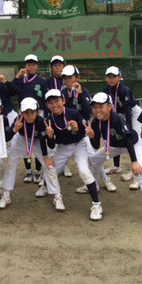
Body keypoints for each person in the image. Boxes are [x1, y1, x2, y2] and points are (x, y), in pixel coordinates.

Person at [83, 92, 142, 225]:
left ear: (110, 106)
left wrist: (134, 161)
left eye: (101, 106)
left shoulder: (116, 119)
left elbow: (128, 140)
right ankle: (93, 184)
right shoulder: (95, 122)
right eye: (94, 107)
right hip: (114, 146)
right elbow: (94, 145)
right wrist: (92, 135)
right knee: (94, 159)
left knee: (139, 171)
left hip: (133, 144)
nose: (97, 110)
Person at [43, 89, 103, 220]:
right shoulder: (48, 120)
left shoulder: (73, 113)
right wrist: (50, 136)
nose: (55, 105)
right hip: (62, 148)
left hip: (78, 145)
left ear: (63, 101)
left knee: (84, 171)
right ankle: (57, 196)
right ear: (47, 105)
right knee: (50, 170)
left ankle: (96, 205)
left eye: (57, 101)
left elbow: (84, 131)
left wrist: (78, 128)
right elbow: (52, 146)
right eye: (51, 103)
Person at [0, 97, 60, 211]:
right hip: (20, 139)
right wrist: (15, 129)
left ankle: (57, 196)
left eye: (32, 112)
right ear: (21, 112)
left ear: (37, 112)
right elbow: (7, 137)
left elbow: (45, 142)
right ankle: (6, 195)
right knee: (11, 164)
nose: (29, 115)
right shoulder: (18, 119)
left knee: (49, 166)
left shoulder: (41, 121)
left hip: (36, 142)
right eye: (26, 112)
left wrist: (45, 156)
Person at [102, 66, 142, 182]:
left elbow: (128, 111)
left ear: (119, 77)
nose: (111, 79)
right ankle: (116, 166)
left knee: (134, 141)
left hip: (134, 114)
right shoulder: (106, 90)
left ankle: (135, 170)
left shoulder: (124, 90)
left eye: (114, 76)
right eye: (109, 77)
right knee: (116, 137)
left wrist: (128, 128)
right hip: (119, 114)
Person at [12, 54, 45, 183]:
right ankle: (28, 171)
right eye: (28, 64)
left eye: (33, 64)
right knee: (26, 141)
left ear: (37, 66)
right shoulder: (20, 80)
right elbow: (12, 90)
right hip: (24, 114)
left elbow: (45, 98)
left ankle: (37, 171)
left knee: (38, 141)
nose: (31, 67)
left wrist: (45, 114)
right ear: (25, 65)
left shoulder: (41, 81)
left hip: (38, 113)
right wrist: (17, 76)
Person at [45, 55, 73, 178]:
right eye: (55, 65)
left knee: (66, 138)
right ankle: (53, 166)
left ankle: (65, 165)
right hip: (53, 114)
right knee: (52, 141)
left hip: (66, 113)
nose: (57, 67)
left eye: (60, 65)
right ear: (51, 68)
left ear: (64, 66)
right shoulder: (48, 82)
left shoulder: (68, 80)